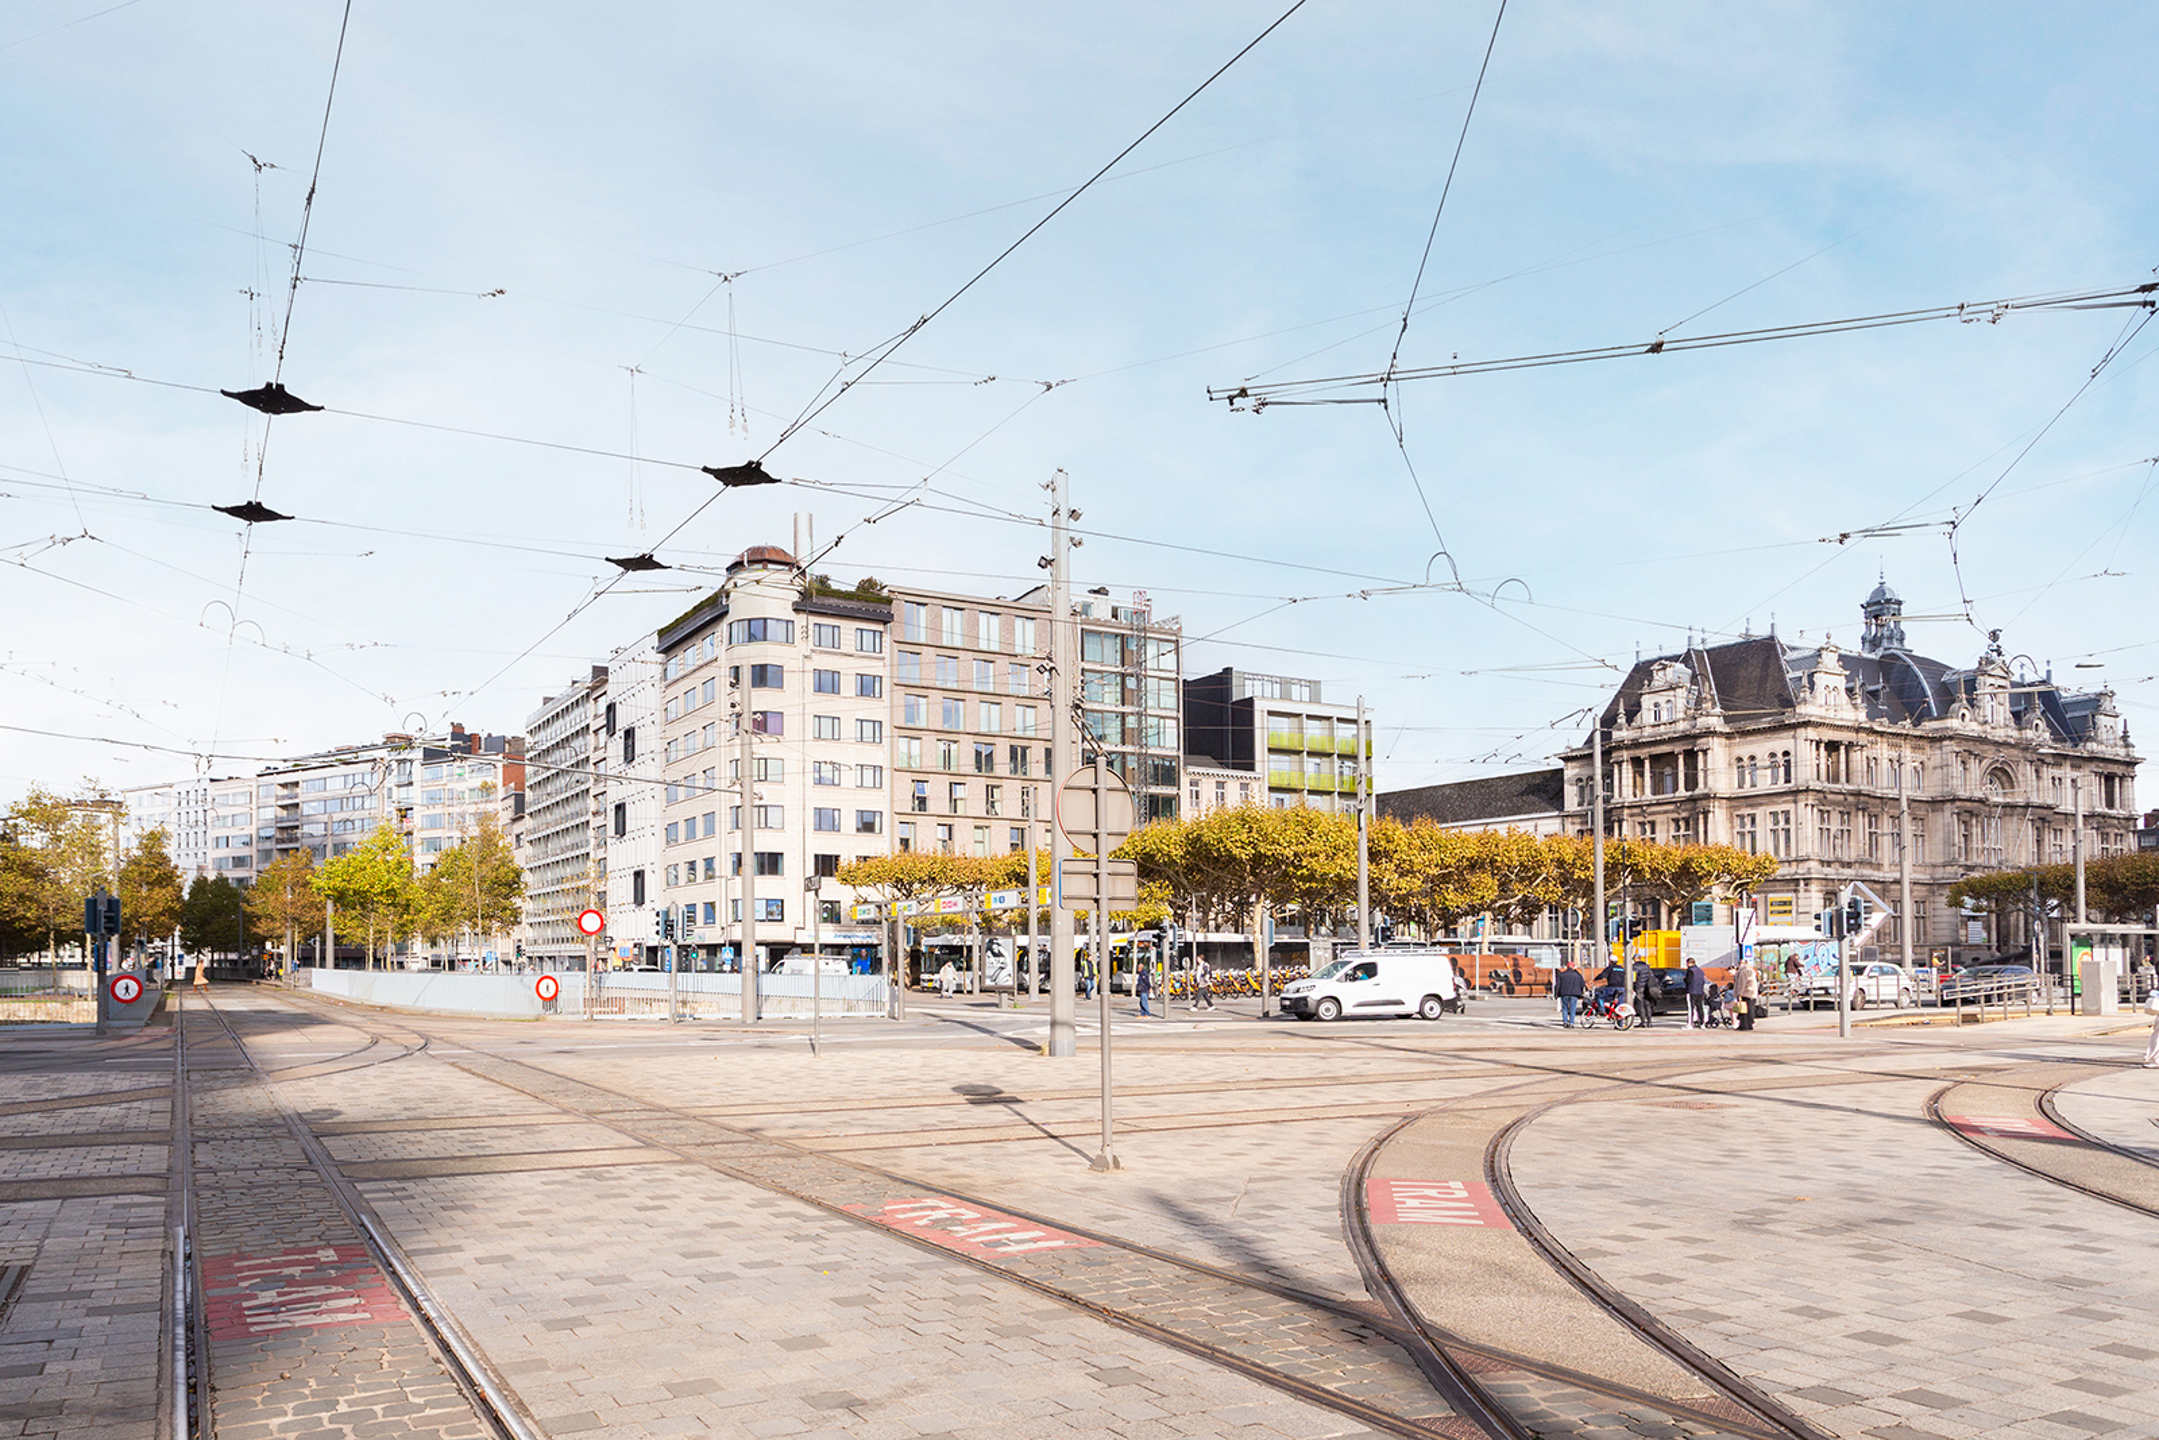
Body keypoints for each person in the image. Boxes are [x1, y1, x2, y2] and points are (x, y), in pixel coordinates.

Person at [1553, 958, 1586, 1027]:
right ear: (1573, 967)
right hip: (1574, 994)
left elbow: (1558, 985)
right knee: (1572, 1008)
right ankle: (1571, 1022)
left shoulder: (1562, 975)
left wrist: (1556, 994)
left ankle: (1565, 1022)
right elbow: (1582, 984)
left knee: (1564, 1008)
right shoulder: (1578, 975)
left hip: (1564, 993)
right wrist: (1581, 993)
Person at [1736, 954, 1761, 1031]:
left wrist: (1739, 993)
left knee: (1744, 1010)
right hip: (1751, 992)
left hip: (1746, 992)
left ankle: (1744, 1025)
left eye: (1741, 963)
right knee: (1749, 1009)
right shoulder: (1750, 970)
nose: (1739, 964)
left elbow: (1742, 983)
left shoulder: (1744, 971)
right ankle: (1748, 1024)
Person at [1631, 959, 1656, 1027]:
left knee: (1640, 1004)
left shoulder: (1635, 967)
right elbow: (1652, 976)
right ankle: (1649, 1022)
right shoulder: (1646, 966)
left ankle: (1643, 1022)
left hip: (1639, 986)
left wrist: (1633, 987)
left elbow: (1633, 978)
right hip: (1647, 987)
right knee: (1647, 1004)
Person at [1683, 959, 1707, 1029]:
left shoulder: (1690, 970)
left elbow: (1688, 980)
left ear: (1688, 963)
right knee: (1700, 1007)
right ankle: (1702, 1023)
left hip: (1691, 991)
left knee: (1691, 1008)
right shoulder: (1701, 971)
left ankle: (1690, 1024)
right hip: (1700, 991)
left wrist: (1684, 979)